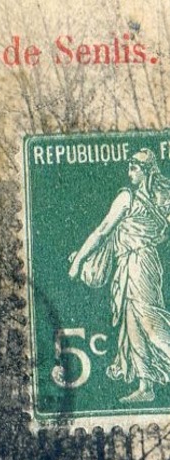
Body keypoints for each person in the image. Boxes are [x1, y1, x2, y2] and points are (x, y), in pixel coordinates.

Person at [69, 149, 170, 403]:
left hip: (143, 263)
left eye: (134, 168)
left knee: (148, 319)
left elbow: (104, 232)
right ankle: (146, 385)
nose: (129, 172)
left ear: (146, 170)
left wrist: (80, 260)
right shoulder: (128, 197)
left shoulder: (157, 199)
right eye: (128, 167)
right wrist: (80, 258)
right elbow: (103, 231)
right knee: (133, 324)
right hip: (128, 265)